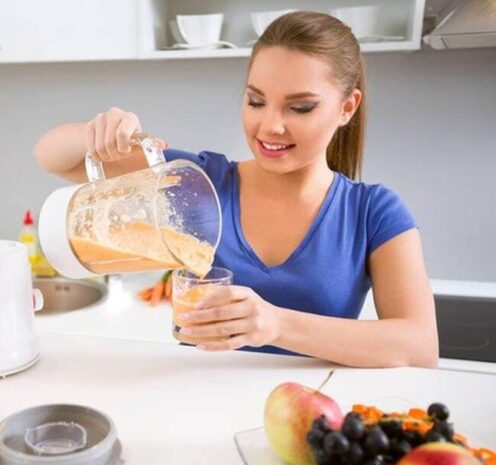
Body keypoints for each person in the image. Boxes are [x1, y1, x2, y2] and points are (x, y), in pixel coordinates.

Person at [32, 11, 438, 368]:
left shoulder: (373, 211)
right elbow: (53, 156)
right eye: (256, 101)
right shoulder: (196, 181)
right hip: (200, 407)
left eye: (300, 107)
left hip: (313, 415)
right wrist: (97, 131)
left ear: (346, 108)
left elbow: (419, 346)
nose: (270, 126)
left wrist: (274, 324)